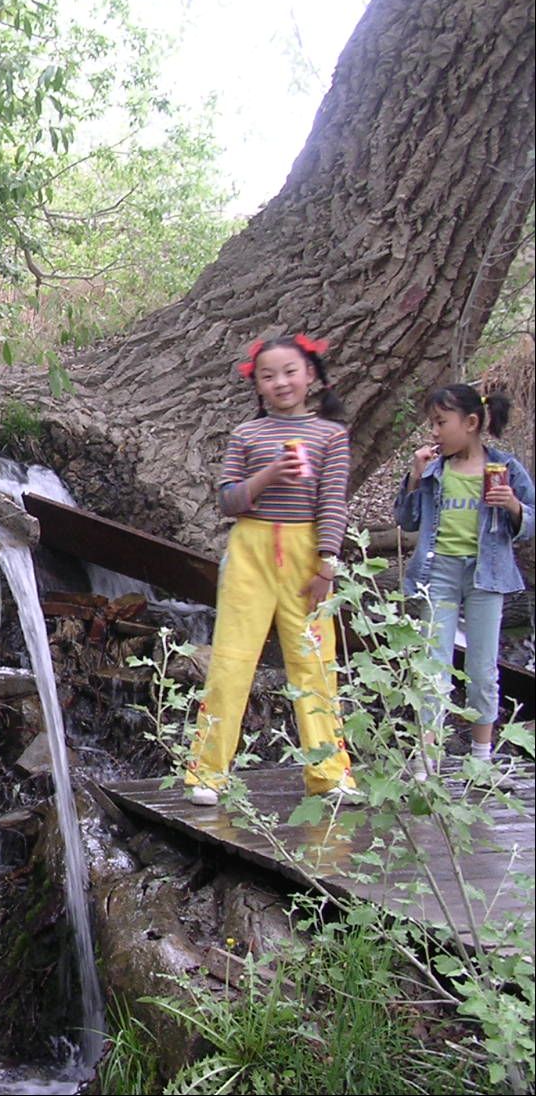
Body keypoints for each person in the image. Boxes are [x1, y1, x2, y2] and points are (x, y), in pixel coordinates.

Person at [185, 333, 357, 806]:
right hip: (250, 551)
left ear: (311, 376)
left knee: (314, 663)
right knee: (232, 661)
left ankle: (328, 771)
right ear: (256, 385)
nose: (280, 382)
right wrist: (268, 476)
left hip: (306, 554)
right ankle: (208, 773)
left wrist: (326, 564)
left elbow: (333, 504)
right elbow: (227, 501)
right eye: (268, 375)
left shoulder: (331, 436)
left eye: (289, 371)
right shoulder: (247, 434)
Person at [394, 385, 533, 779]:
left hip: (486, 577)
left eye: (441, 423)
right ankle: (427, 755)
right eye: (432, 423)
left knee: (482, 667)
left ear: (471, 423)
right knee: (432, 664)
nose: (434, 432)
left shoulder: (504, 468)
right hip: (437, 574)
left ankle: (481, 755)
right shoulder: (436, 470)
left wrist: (512, 506)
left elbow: (531, 520)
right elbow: (407, 521)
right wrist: (415, 477)